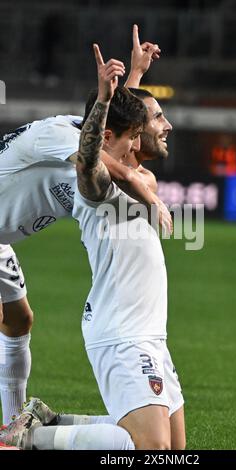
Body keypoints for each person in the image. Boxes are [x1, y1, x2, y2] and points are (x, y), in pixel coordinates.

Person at [0, 29, 169, 425]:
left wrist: (136, 77)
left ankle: (11, 426)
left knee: (19, 320)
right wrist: (145, 188)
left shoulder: (100, 129)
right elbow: (98, 158)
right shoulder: (56, 134)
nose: (134, 142)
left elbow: (116, 129)